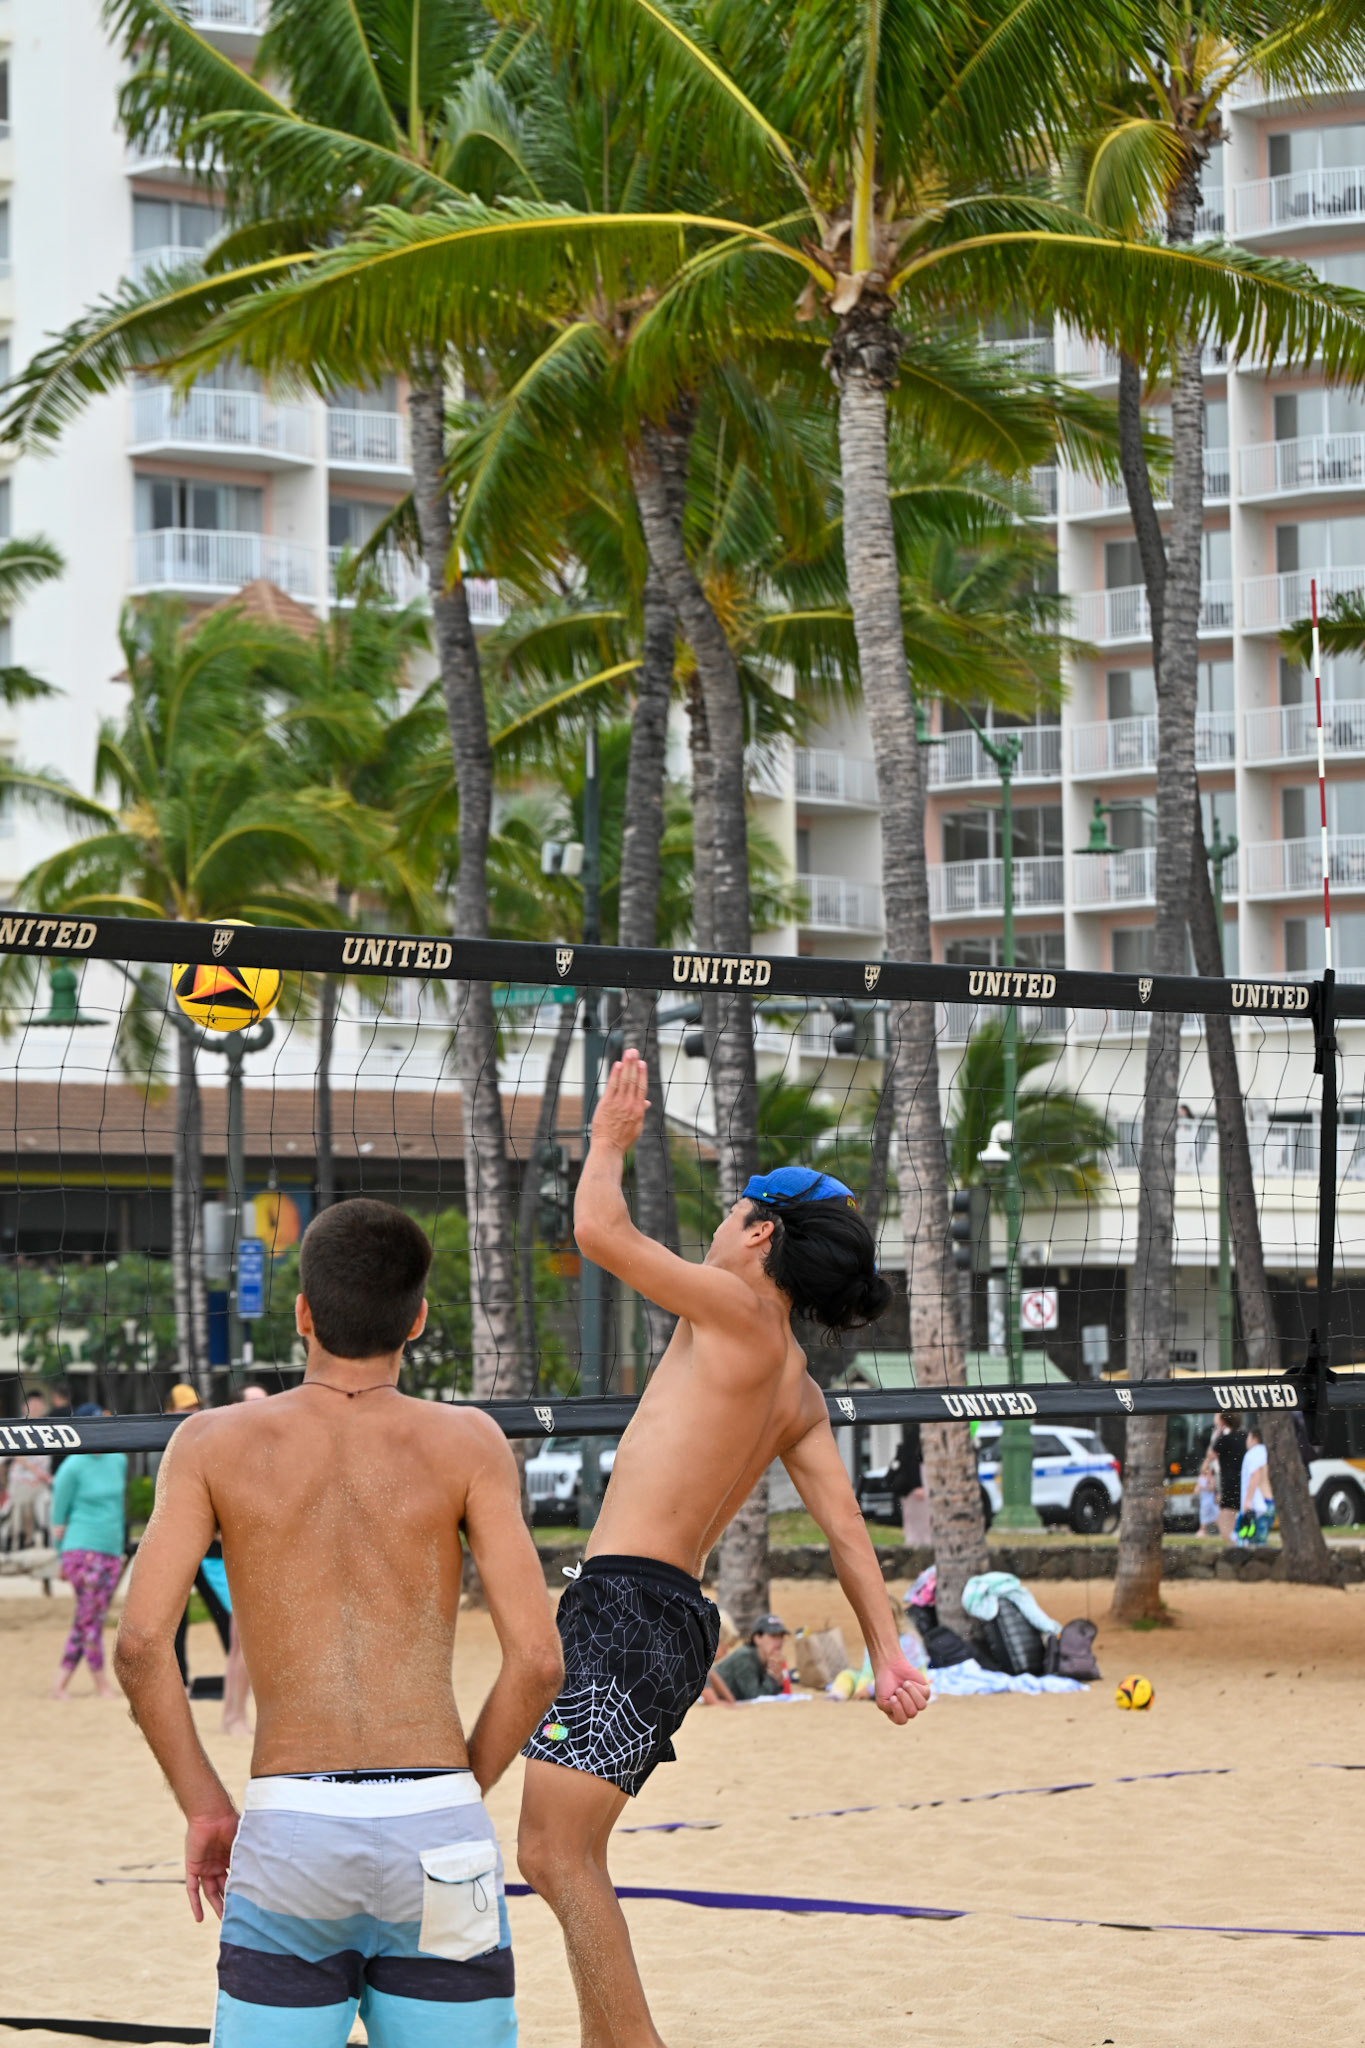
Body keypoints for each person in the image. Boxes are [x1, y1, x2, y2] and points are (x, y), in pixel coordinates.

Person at [517, 1050, 929, 2048]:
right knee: (561, 1853)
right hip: (663, 1618)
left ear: (757, 1231)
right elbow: (842, 1529)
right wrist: (885, 1653)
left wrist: (608, 1136)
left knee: (555, 1855)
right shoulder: (794, 1382)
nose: (712, 1225)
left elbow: (598, 1230)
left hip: (627, 1610)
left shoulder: (737, 1305)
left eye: (727, 1211)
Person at [113, 1198, 563, 2048]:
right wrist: (452, 1788)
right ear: (419, 1320)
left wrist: (207, 1808)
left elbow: (140, 1649)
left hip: (292, 1830)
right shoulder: (469, 1442)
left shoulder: (210, 1442)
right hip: (442, 1831)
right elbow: (539, 1661)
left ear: (302, 1314)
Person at [50, 1403, 128, 1700]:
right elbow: (58, 1521)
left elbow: (117, 1510)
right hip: (81, 1550)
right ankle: (101, 1685)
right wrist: (60, 1558)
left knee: (88, 1618)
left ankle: (59, 1685)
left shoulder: (118, 1459)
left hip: (109, 1550)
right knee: (90, 1618)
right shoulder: (72, 1467)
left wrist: (119, 1549)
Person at [221, 1384, 267, 1736]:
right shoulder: (230, 1448)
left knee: (249, 1643)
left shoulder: (272, 1448)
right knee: (245, 1642)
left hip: (266, 1552)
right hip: (240, 1554)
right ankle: (234, 1717)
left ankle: (234, 1716)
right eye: (254, 1402)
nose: (262, 1408)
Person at [710, 1614, 790, 1702]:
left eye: (781, 1636)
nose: (779, 1641)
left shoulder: (767, 1659)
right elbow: (754, 1697)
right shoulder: (745, 1656)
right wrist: (771, 1678)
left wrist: (777, 1681)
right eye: (774, 1635)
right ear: (757, 1638)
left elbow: (772, 1696)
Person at [888, 1423, 931, 1545]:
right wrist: (916, 1485)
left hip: (922, 1478)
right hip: (918, 1481)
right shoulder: (915, 1428)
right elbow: (910, 1456)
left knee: (925, 1521)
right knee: (919, 1521)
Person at [1239, 1417, 1275, 1545]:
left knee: (1249, 1542)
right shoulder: (1268, 1452)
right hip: (1270, 1502)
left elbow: (1255, 1475)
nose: (1246, 1441)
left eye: (1248, 1438)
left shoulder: (1253, 1454)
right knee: (1261, 1540)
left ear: (1254, 1438)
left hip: (1258, 1504)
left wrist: (1247, 1501)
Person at [1213, 1408, 1247, 1540]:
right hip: (1243, 1481)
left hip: (1229, 1481)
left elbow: (1211, 1455)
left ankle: (1235, 1546)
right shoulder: (1245, 1436)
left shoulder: (1224, 1439)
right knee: (1236, 1514)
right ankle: (1240, 1541)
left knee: (1224, 1519)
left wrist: (1219, 1430)